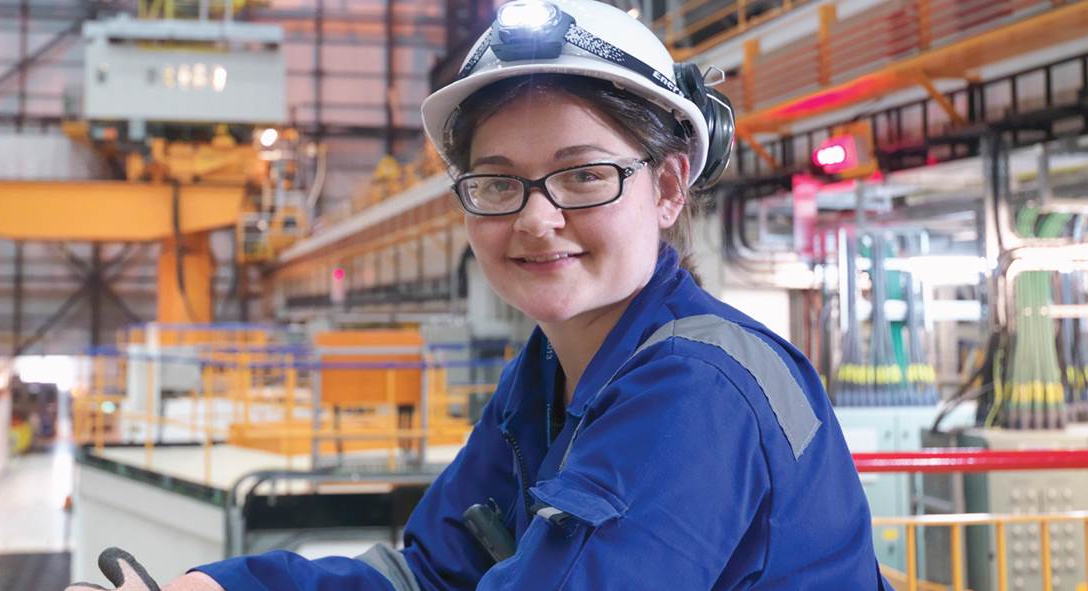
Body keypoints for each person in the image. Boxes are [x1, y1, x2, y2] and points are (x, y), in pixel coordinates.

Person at [69, 0, 891, 589]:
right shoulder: (543, 379)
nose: (536, 218)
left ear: (668, 186)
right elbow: (427, 573)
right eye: (497, 183)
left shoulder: (699, 390)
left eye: (582, 175)